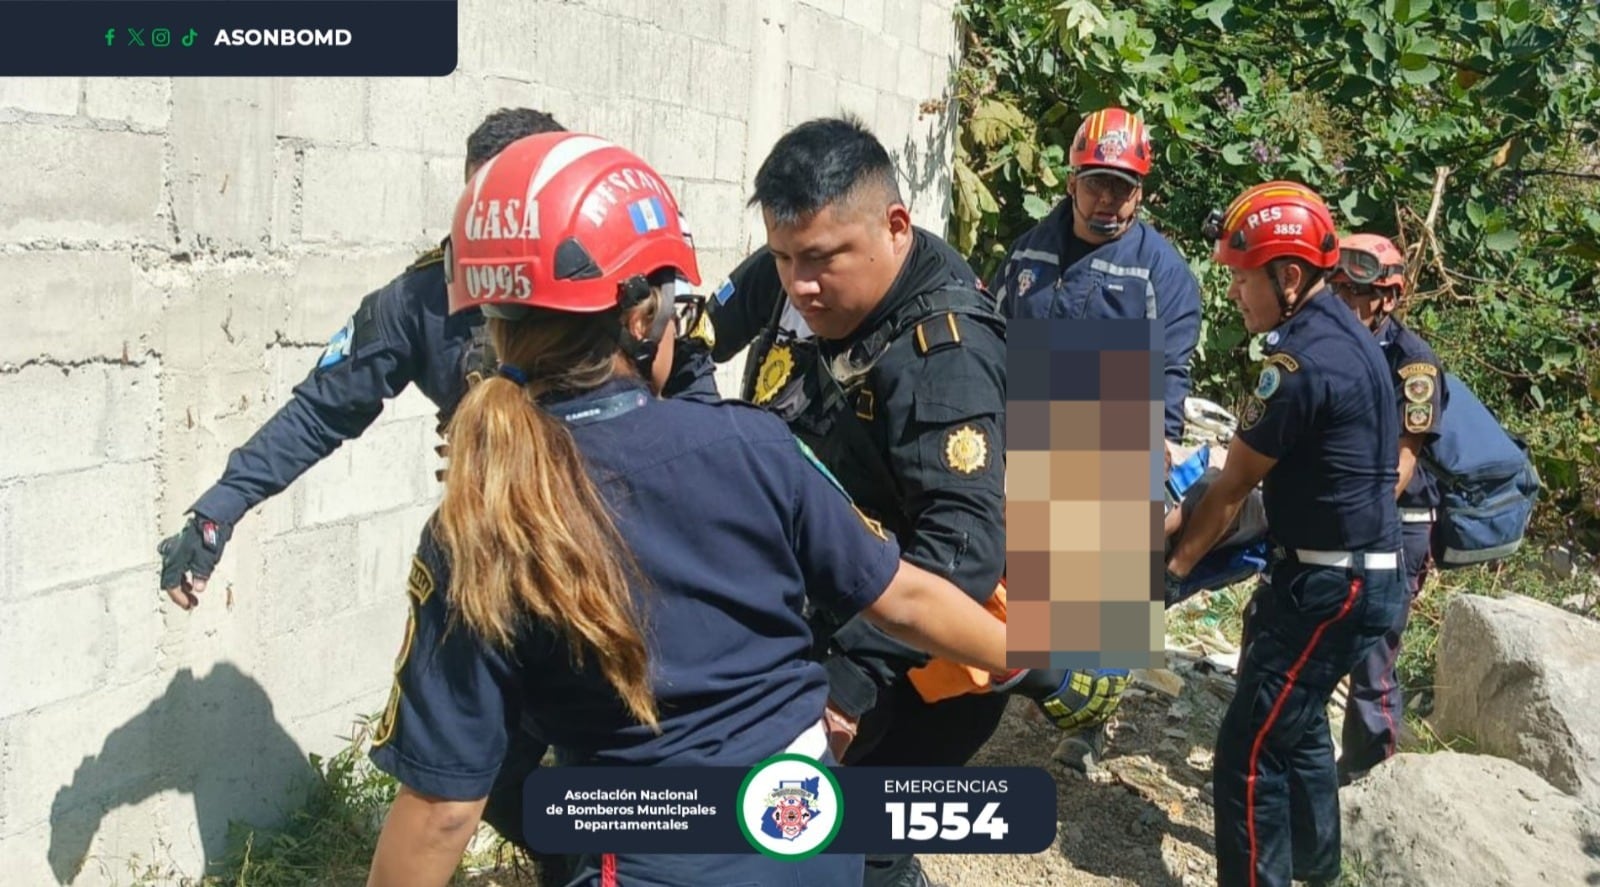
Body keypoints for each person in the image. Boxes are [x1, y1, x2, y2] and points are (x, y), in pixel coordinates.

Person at [361, 131, 1011, 887]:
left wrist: (856, 679)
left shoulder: (479, 527)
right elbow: (905, 593)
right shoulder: (754, 444)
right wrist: (1041, 645)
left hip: (862, 678)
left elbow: (441, 809)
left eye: (818, 259)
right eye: (782, 259)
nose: (797, 283)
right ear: (645, 315)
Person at [155, 107, 718, 611]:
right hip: (501, 558)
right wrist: (219, 509)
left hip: (639, 538)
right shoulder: (423, 297)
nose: (494, 227)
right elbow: (322, 408)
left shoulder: (622, 273)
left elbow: (694, 394)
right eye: (483, 205)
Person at [1165, 182, 1406, 887]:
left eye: (1243, 279)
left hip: (1329, 585)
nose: (1236, 294)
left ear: (1289, 276)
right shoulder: (1346, 339)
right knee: (1295, 724)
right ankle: (1315, 868)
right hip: (1359, 575)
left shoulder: (1296, 366)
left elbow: (1234, 484)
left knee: (1250, 748)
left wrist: (1176, 567)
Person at [1327, 233, 1447, 784]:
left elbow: (1403, 462)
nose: (1346, 299)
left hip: (1395, 524)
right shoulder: (1323, 342)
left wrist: (1353, 519)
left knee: (1372, 658)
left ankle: (1369, 779)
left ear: (1388, 299)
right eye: (1339, 287)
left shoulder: (1413, 364)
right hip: (1337, 515)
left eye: (1359, 292)